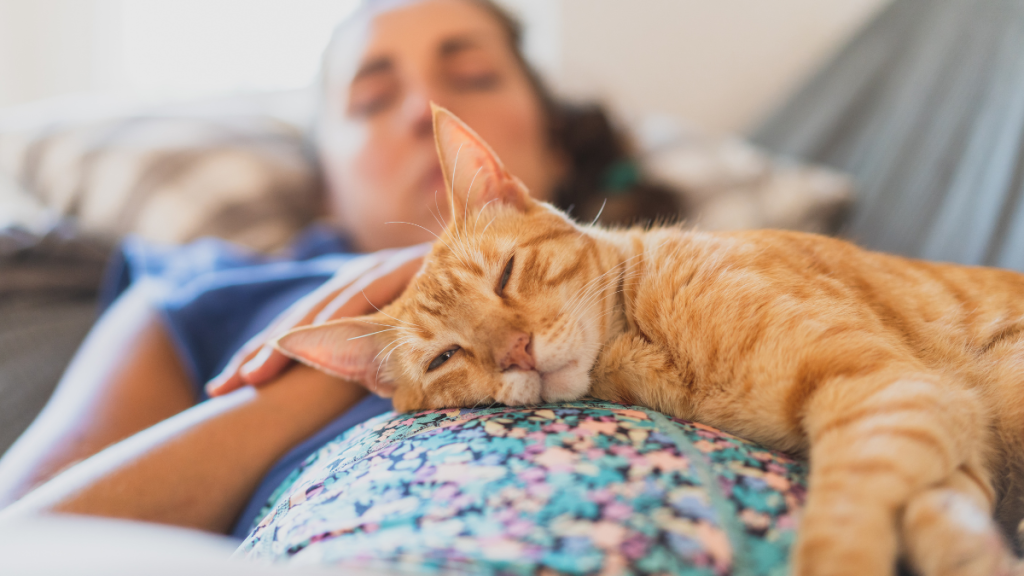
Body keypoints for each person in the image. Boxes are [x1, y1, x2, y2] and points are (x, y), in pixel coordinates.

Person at [0, 0, 678, 536]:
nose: (422, 111)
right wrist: (351, 366)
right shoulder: (197, 296)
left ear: (555, 140)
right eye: (373, 99)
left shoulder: (707, 268)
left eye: (472, 76)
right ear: (326, 183)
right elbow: (25, 546)